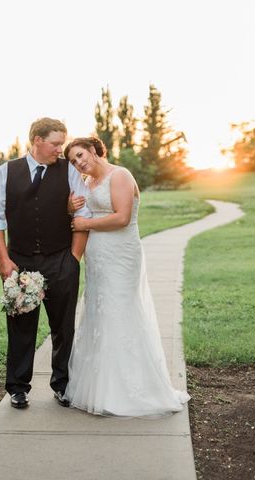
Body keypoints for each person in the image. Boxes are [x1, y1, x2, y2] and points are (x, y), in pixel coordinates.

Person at [64, 136, 190, 416]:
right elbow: (78, 215)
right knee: (100, 313)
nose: (79, 163)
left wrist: (86, 222)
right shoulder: (86, 184)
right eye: (73, 161)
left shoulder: (119, 175)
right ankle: (100, 386)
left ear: (95, 151)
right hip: (97, 256)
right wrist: (72, 210)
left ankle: (130, 389)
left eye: (81, 155)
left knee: (120, 311)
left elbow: (122, 218)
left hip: (121, 254)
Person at [0, 118, 91, 409]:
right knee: (20, 327)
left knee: (63, 327)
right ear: (37, 140)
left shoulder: (69, 171)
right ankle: (18, 388)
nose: (61, 149)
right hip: (19, 262)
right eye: (56, 143)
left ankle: (63, 384)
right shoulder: (7, 172)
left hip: (60, 260)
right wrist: (4, 260)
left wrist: (73, 260)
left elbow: (84, 215)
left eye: (62, 143)